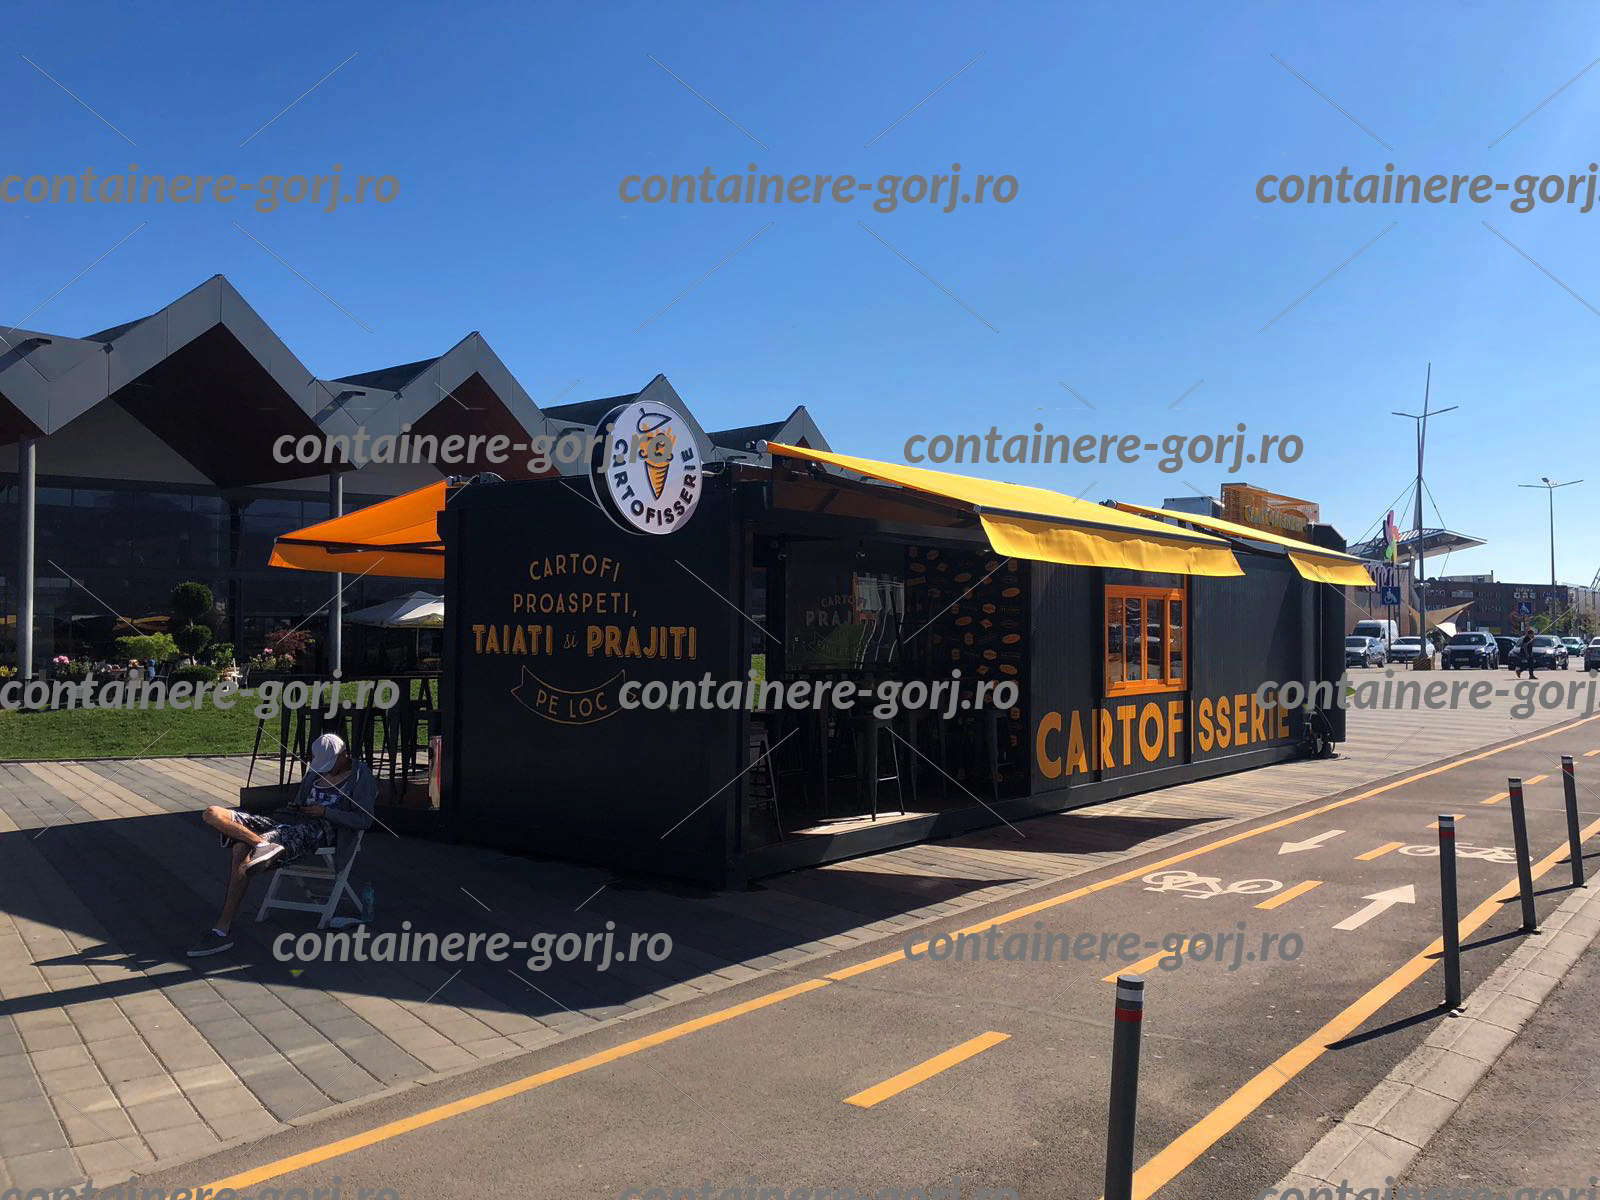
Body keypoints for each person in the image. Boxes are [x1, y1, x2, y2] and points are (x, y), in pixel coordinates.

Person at [189, 732, 376, 956]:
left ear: (344, 755)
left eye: (330, 765)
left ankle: (222, 928)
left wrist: (326, 812)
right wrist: (298, 807)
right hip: (290, 822)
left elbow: (364, 820)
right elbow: (299, 801)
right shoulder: (315, 773)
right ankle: (262, 845)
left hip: (321, 830)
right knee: (212, 814)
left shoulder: (360, 776)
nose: (325, 771)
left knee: (240, 848)